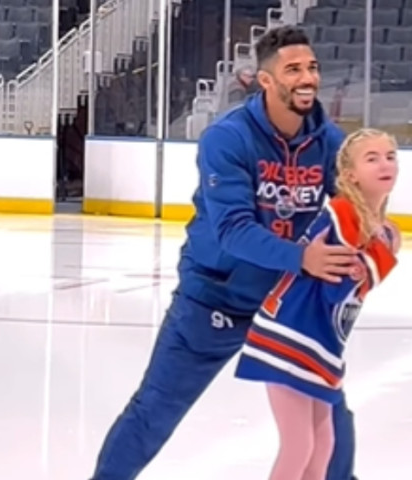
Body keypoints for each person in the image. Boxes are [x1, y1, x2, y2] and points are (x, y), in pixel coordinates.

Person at [90, 25, 360, 480]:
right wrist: (302, 258)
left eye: (311, 67)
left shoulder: (331, 143)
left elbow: (350, 213)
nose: (307, 78)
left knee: (329, 415)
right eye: (293, 69)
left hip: (287, 305)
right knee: (155, 410)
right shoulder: (227, 138)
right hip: (215, 298)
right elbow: (234, 230)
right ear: (265, 80)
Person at [234, 128, 400, 480]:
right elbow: (337, 287)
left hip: (318, 340)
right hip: (290, 336)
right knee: (299, 445)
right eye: (372, 158)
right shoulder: (345, 215)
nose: (385, 164)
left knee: (322, 443)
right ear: (351, 175)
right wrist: (382, 256)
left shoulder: (369, 223)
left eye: (390, 156)